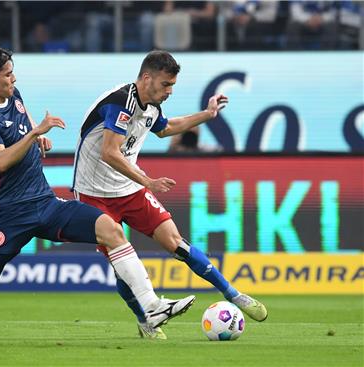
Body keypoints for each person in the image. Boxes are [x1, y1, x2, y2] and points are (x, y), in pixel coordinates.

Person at [0, 41, 195, 343]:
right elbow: (1, 160)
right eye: (7, 74)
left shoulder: (13, 95)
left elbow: (23, 118)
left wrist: (36, 135)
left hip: (45, 203)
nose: (13, 78)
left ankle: (152, 307)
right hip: (12, 213)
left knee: (111, 230)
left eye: (12, 72)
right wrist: (34, 134)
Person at [72, 50, 268, 340]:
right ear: (147, 78)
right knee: (122, 264)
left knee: (175, 242)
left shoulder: (150, 106)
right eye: (166, 84)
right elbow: (109, 152)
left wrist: (208, 114)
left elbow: (167, 129)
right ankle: (146, 321)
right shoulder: (121, 102)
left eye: (173, 85)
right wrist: (148, 181)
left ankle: (233, 293)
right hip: (94, 194)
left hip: (128, 188)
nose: (170, 91)